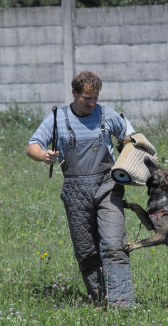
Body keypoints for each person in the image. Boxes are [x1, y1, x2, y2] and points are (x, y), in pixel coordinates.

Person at [26, 71, 135, 307]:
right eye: (87, 98)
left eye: (95, 97)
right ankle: (101, 300)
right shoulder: (57, 118)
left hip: (108, 187)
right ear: (74, 93)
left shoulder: (107, 115)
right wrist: (44, 155)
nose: (92, 103)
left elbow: (132, 137)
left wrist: (131, 156)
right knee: (86, 252)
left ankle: (123, 305)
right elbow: (32, 145)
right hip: (76, 192)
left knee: (115, 245)